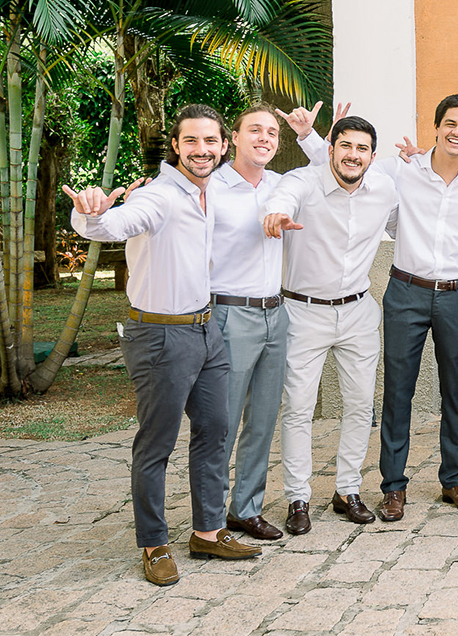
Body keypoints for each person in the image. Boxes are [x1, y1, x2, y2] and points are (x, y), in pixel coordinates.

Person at [66, 104, 261, 585]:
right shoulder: (158, 196)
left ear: (222, 146)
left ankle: (208, 533)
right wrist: (89, 214)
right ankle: (153, 545)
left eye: (211, 142)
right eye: (191, 141)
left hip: (205, 328)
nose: (202, 150)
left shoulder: (209, 191)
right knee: (156, 443)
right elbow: (114, 225)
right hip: (158, 334)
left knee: (215, 431)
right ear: (176, 146)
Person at [289, 95, 458, 520]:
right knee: (397, 391)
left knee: (455, 391)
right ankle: (393, 487)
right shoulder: (401, 170)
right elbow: (345, 167)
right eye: (450, 123)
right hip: (406, 291)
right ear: (437, 127)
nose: (457, 132)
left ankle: (454, 481)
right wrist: (310, 136)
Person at [263, 115, 399, 533]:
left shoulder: (384, 190)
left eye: (362, 149)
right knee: (299, 409)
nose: (353, 155)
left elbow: (403, 224)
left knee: (360, 406)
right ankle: (298, 498)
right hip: (303, 311)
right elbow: (281, 197)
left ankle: (347, 490)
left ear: (372, 157)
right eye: (346, 146)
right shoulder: (302, 182)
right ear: (331, 149)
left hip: (358, 311)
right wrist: (277, 215)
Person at [210, 103, 292, 541]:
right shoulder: (212, 186)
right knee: (221, 421)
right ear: (233, 138)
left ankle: (246, 509)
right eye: (255, 130)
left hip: (275, 314)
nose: (264, 138)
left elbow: (329, 171)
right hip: (229, 313)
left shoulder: (283, 186)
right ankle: (209, 516)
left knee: (262, 419)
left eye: (273, 133)